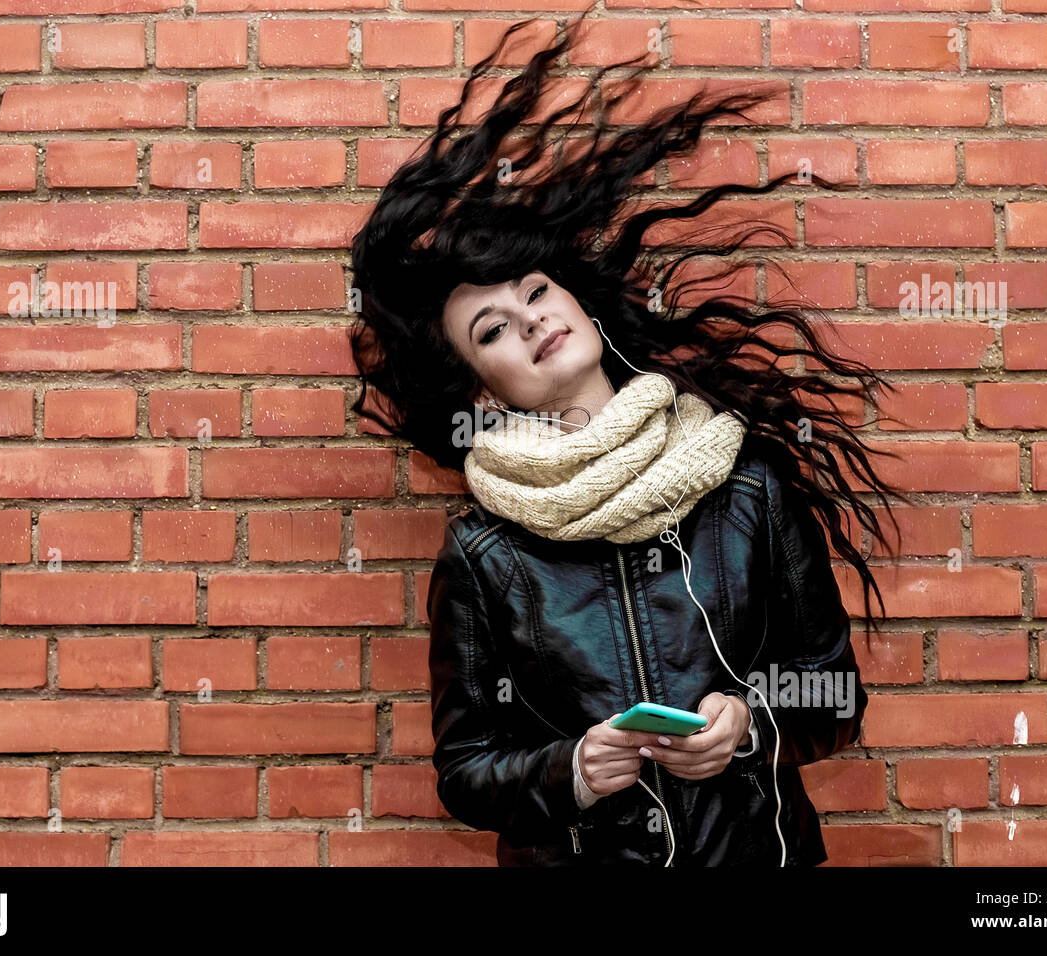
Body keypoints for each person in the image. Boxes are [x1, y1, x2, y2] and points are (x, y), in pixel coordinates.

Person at [347, 8, 919, 866]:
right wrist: (573, 768)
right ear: (481, 388)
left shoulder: (744, 482)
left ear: (576, 299)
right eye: (492, 331)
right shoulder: (485, 552)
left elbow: (833, 697)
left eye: (535, 292)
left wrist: (746, 724)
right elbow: (467, 771)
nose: (530, 322)